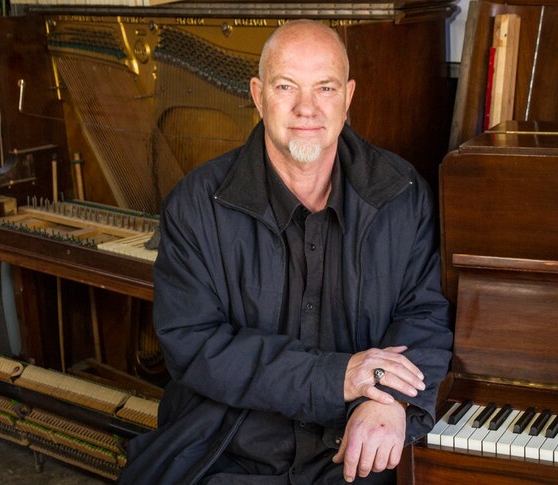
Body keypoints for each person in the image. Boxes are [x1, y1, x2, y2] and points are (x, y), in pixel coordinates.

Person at [119, 19, 452, 484]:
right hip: (228, 451)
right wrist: (335, 377)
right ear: (258, 95)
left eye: (325, 88)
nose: (306, 108)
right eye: (285, 86)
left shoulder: (402, 194)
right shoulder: (196, 205)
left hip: (353, 456)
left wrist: (393, 401)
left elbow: (425, 315)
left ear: (348, 96)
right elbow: (194, 343)